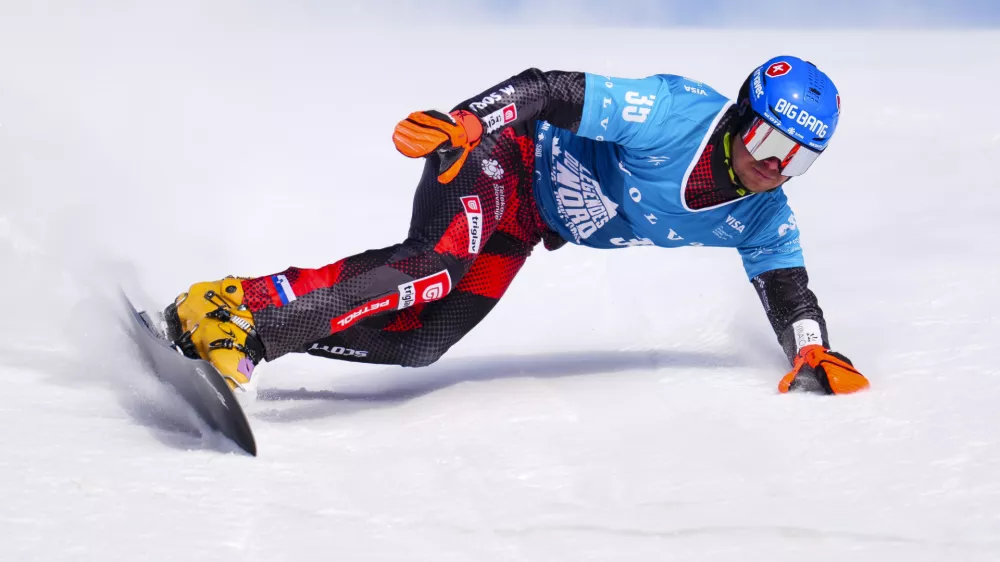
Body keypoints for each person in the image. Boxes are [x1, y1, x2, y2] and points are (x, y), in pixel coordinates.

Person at [165, 55, 870, 397]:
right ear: (742, 119)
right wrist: (470, 121)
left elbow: (789, 291)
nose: (776, 167)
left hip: (528, 217)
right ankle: (241, 317)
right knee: (434, 267)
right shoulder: (673, 113)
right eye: (771, 144)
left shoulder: (761, 211)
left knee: (422, 345)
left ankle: (246, 314)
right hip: (504, 149)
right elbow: (552, 89)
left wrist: (810, 352)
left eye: (799, 159)